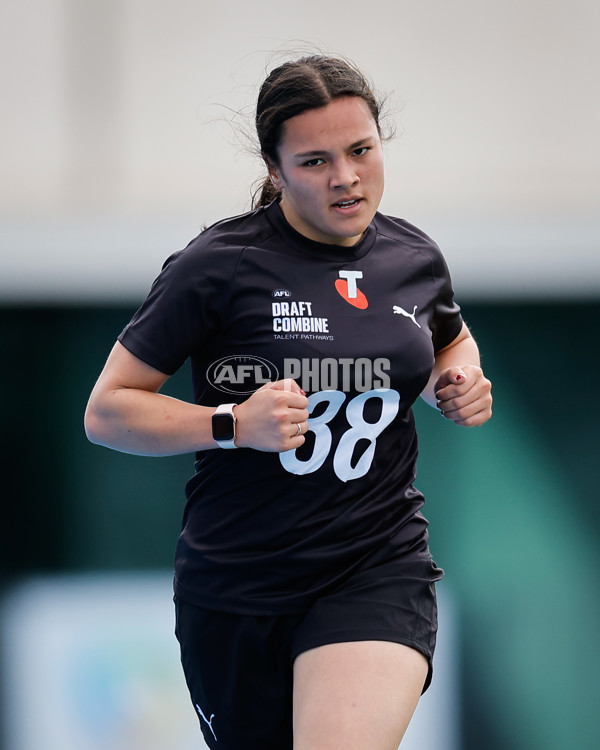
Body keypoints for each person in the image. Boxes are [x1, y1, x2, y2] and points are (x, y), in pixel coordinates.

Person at [85, 54, 492, 750]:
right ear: (275, 171)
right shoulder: (216, 266)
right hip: (239, 586)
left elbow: (449, 342)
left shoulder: (413, 258)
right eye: (314, 161)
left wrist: (455, 383)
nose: (345, 176)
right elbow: (108, 411)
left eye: (361, 150)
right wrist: (232, 424)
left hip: (375, 564)